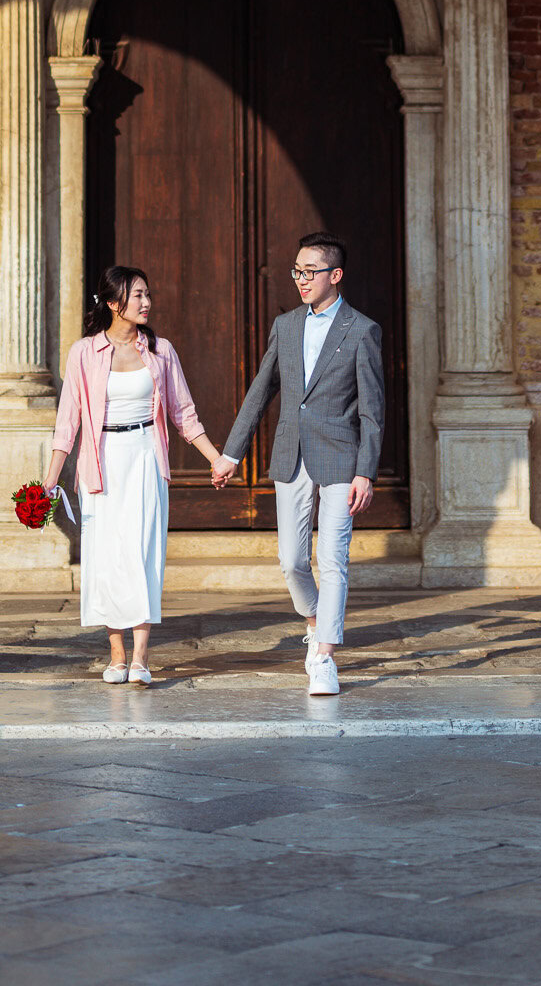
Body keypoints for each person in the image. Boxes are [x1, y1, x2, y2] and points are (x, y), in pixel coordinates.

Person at [211, 232, 384, 697]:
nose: (301, 280)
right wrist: (231, 452)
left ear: (336, 275)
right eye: (297, 271)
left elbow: (372, 409)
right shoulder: (285, 325)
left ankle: (325, 655)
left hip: (342, 458)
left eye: (310, 272)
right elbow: (261, 390)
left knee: (332, 559)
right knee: (291, 561)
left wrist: (366, 470)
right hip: (291, 455)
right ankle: (314, 620)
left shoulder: (362, 330)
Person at [45, 265, 226, 684]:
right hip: (101, 462)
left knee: (143, 553)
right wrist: (49, 479)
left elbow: (184, 414)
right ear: (113, 303)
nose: (146, 302)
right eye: (137, 295)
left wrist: (215, 459)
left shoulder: (161, 351)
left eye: (147, 294)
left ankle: (142, 656)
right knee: (106, 558)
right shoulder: (84, 353)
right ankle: (116, 655)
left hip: (146, 457)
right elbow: (67, 421)